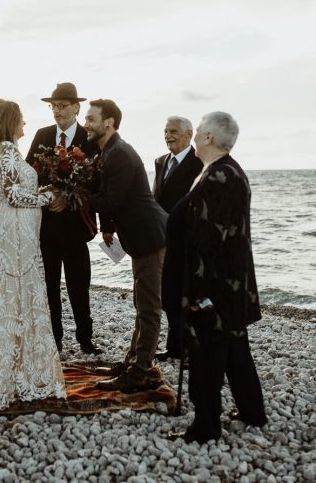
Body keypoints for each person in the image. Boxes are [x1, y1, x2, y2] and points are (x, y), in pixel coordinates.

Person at [169, 111, 267, 444]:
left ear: (209, 137)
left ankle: (205, 426)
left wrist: (197, 296)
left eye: (197, 131)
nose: (194, 136)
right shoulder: (226, 171)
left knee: (207, 353)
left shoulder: (218, 177)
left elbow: (208, 240)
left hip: (217, 287)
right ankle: (253, 411)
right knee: (236, 347)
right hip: (231, 283)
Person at [0, 99, 67, 411]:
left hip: (21, 236)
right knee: (17, 300)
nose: (25, 126)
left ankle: (24, 368)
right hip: (15, 239)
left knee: (22, 300)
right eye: (21, 120)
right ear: (9, 121)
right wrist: (47, 196)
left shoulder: (5, 151)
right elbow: (15, 195)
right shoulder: (5, 150)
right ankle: (12, 375)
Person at [80, 99, 168, 393]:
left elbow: (112, 200)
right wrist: (106, 226)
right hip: (139, 236)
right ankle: (132, 361)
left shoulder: (119, 154)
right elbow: (110, 197)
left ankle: (140, 372)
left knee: (148, 308)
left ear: (109, 123)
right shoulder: (109, 151)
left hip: (149, 237)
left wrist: (73, 196)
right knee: (140, 303)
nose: (86, 124)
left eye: (91, 119)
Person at [26, 82, 103, 355]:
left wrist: (68, 197)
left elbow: (97, 184)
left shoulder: (90, 140)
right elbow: (28, 175)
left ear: (76, 108)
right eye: (53, 106)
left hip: (76, 227)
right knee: (49, 285)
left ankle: (85, 338)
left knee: (79, 284)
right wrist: (47, 193)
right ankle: (54, 339)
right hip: (45, 226)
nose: (57, 111)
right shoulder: (42, 135)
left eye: (62, 106)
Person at [153, 116, 203, 362]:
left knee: (186, 293)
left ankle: (189, 347)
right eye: (165, 131)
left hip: (188, 238)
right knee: (169, 293)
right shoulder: (160, 162)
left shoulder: (199, 163)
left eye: (173, 131)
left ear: (189, 134)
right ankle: (174, 347)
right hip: (162, 237)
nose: (168, 136)